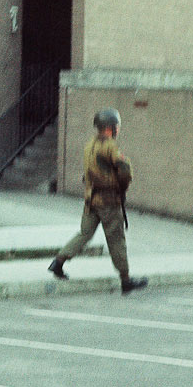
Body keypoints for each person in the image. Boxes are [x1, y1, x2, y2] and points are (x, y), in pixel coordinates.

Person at [48, 108, 148, 294]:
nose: (118, 129)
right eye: (117, 126)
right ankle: (126, 281)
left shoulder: (89, 145)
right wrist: (122, 187)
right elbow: (125, 170)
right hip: (108, 202)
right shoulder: (110, 146)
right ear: (110, 128)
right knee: (116, 240)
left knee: (84, 234)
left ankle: (58, 262)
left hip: (91, 200)